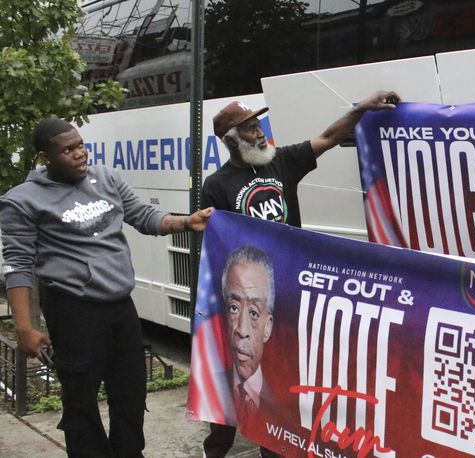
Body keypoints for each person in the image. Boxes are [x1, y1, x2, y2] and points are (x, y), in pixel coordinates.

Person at [201, 90, 400, 457]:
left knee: (281, 378)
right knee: (237, 379)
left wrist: (361, 107)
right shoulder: (216, 186)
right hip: (249, 301)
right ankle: (216, 446)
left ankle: (275, 447)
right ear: (230, 139)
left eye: (258, 125)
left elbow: (327, 138)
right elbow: (214, 246)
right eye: (248, 129)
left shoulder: (283, 161)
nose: (259, 133)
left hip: (290, 295)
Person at [0, 118, 213, 457]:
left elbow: (143, 215)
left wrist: (186, 222)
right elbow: (17, 266)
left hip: (120, 306)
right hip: (73, 310)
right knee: (81, 401)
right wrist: (25, 328)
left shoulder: (106, 177)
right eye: (67, 150)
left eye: (80, 145)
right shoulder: (22, 201)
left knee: (130, 392)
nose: (79, 154)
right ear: (44, 158)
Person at [220, 246, 283, 427]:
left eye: (254, 313)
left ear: (267, 327)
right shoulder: (211, 390)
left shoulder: (283, 402)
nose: (242, 329)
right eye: (234, 308)